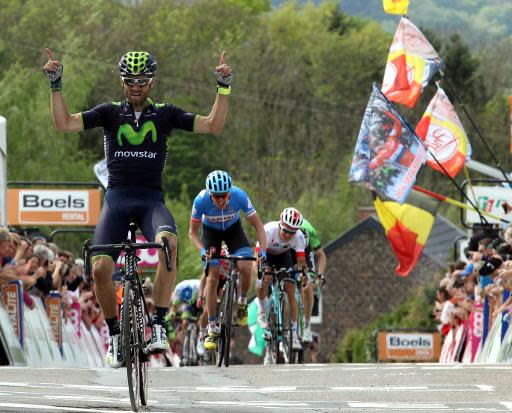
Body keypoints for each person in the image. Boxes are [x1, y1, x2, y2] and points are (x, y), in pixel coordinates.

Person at [43, 48, 233, 368]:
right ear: (121, 81)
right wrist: (55, 83)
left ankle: (157, 323)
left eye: (142, 81)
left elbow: (213, 125)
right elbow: (64, 124)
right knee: (101, 268)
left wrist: (223, 87)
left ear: (152, 82)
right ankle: (116, 335)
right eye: (130, 80)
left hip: (150, 201)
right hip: (117, 199)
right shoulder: (108, 113)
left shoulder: (166, 114)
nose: (136, 86)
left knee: (169, 244)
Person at [188, 170, 266, 351]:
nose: (221, 201)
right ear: (210, 194)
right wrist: (202, 251)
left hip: (234, 231)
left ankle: (242, 301)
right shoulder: (200, 201)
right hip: (210, 233)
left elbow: (258, 225)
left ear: (230, 192)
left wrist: (262, 250)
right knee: (212, 276)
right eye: (217, 197)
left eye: (224, 196)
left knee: (246, 266)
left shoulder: (239, 195)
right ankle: (212, 327)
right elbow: (192, 232)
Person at [256, 207, 307, 362]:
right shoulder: (268, 231)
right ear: (280, 224)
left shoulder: (298, 237)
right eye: (285, 231)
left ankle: (293, 331)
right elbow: (258, 256)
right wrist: (261, 272)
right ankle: (263, 308)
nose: (288, 236)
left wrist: (301, 274)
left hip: (284, 257)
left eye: (292, 233)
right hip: (267, 256)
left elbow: (300, 262)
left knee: (291, 289)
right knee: (262, 280)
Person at [297, 218, 327, 343]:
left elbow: (321, 255)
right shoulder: (283, 231)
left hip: (305, 252)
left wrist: (320, 275)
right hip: (287, 251)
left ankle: (307, 325)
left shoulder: (308, 229)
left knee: (307, 286)